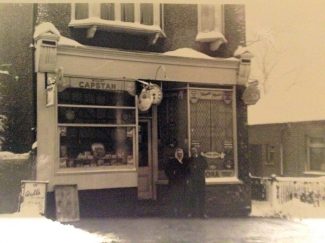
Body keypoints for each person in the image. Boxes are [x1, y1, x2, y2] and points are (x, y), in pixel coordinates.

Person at [164, 148, 189, 217]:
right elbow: (167, 170)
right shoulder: (172, 161)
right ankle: (174, 212)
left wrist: (186, 179)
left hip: (182, 183)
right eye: (178, 154)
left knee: (182, 197)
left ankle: (181, 212)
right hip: (174, 183)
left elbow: (188, 171)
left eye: (181, 153)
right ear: (176, 154)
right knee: (174, 197)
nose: (180, 155)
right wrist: (172, 175)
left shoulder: (185, 161)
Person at [187, 146, 208, 218]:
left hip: (200, 180)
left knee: (202, 197)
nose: (193, 152)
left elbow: (205, 166)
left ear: (197, 151)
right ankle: (193, 213)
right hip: (192, 181)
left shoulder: (202, 158)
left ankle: (202, 213)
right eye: (192, 151)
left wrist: (197, 167)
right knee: (192, 197)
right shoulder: (189, 160)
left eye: (194, 150)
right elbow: (187, 168)